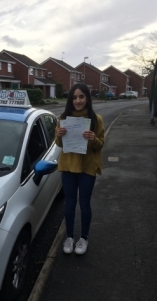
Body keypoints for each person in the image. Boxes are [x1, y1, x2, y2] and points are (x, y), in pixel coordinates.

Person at [55, 83, 104, 255]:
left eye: (81, 96)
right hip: (68, 166)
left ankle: (83, 238)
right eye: (74, 97)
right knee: (69, 204)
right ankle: (69, 236)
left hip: (87, 167)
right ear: (70, 99)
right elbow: (59, 144)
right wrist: (58, 135)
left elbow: (100, 144)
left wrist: (93, 139)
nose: (78, 100)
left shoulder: (96, 119)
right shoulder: (63, 118)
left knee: (84, 204)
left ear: (87, 98)